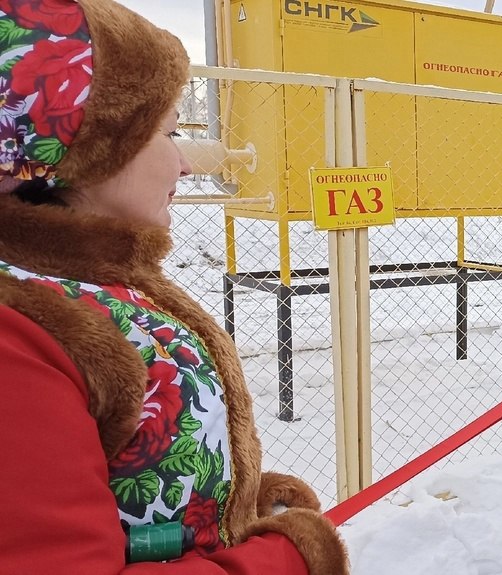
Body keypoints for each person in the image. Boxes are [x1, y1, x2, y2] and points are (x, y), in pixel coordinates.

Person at [0, 1, 347, 572]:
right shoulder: (18, 332)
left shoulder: (93, 283)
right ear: (94, 143)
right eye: (169, 132)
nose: (184, 163)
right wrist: (289, 559)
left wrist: (228, 501)